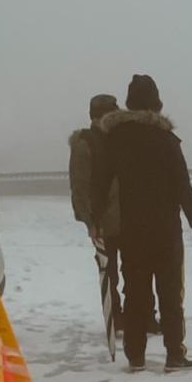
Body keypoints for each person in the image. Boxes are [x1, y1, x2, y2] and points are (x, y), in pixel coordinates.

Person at [91, 74, 192, 372]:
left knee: (135, 291)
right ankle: (174, 355)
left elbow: (99, 182)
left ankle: (136, 355)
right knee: (169, 292)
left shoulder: (114, 139)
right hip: (166, 230)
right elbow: (183, 185)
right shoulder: (166, 140)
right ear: (156, 104)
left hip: (131, 229)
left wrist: (95, 220)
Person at [69, 93, 123, 333]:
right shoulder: (85, 143)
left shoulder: (117, 139)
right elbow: (79, 185)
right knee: (109, 271)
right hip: (102, 220)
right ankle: (117, 317)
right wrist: (88, 221)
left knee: (131, 270)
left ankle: (136, 315)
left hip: (125, 216)